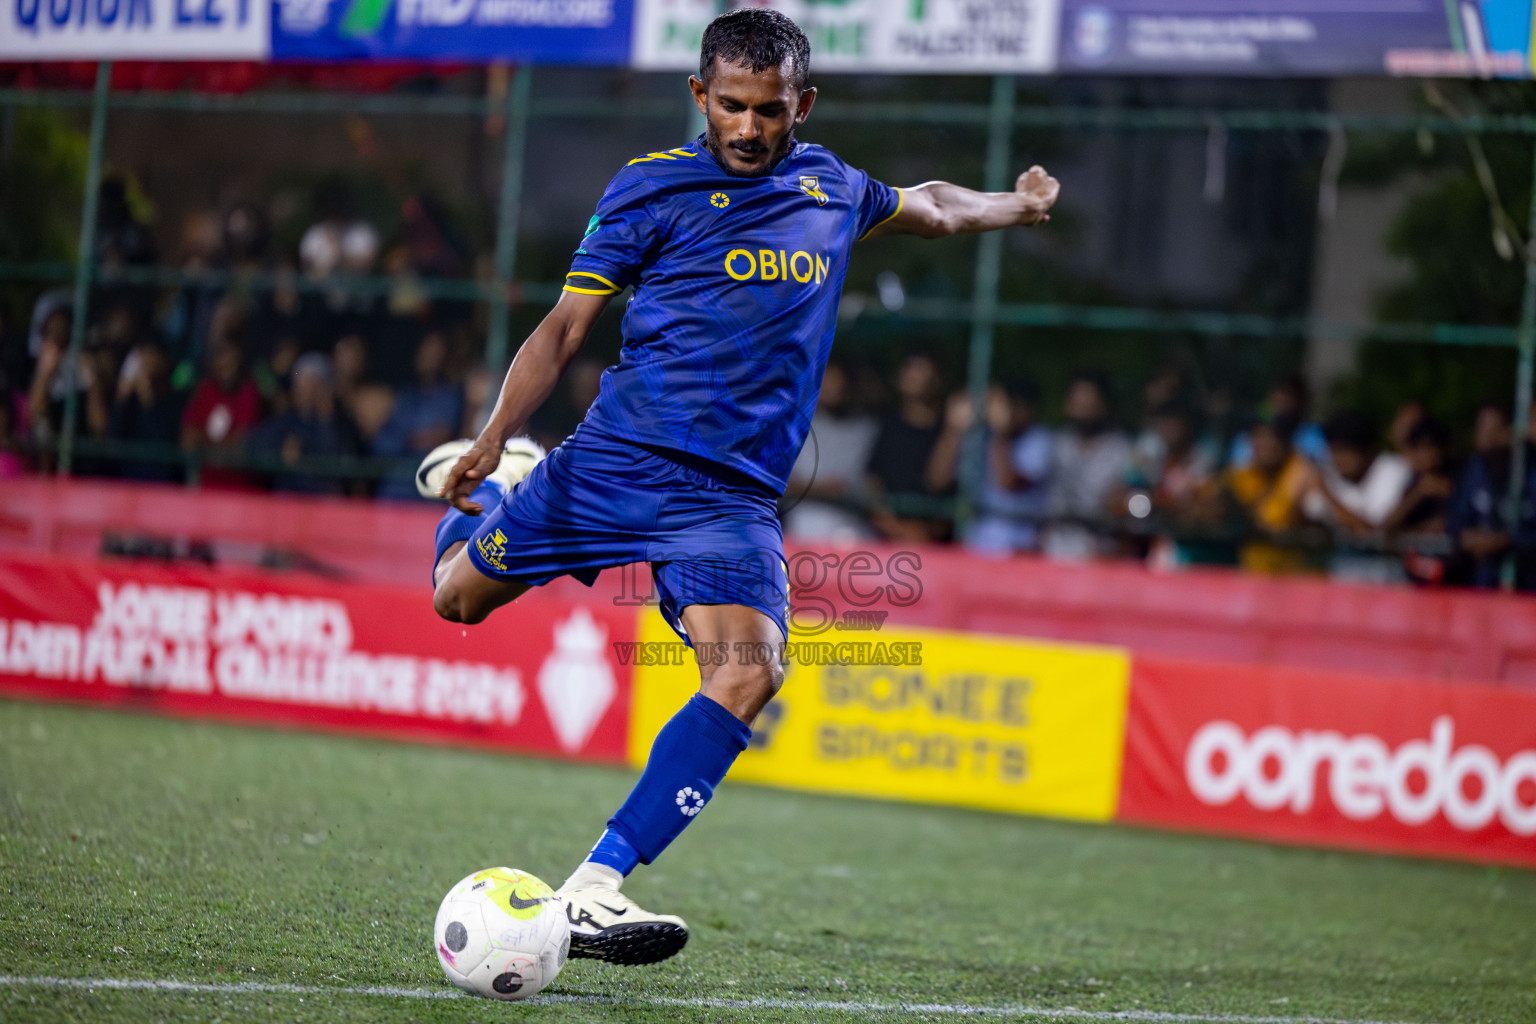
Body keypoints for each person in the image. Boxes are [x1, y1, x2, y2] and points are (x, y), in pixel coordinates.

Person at [419, 9, 1058, 968]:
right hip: (612, 462)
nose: (749, 129)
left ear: (802, 102)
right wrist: (493, 435)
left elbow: (930, 203)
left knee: (753, 671)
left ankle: (594, 886)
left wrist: (1016, 203)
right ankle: (513, 483)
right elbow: (559, 331)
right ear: (699, 97)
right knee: (455, 602)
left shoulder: (832, 185)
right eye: (731, 107)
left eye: (768, 110)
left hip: (728, 503)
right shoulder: (648, 189)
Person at [926, 378, 1052, 555]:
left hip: (1021, 548)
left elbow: (1008, 484)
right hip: (976, 544)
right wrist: (953, 429)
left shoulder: (1040, 439)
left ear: (1023, 408)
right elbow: (938, 480)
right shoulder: (982, 437)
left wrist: (1001, 432)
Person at [783, 358, 878, 543]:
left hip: (854, 531)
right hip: (804, 530)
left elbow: (874, 486)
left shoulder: (869, 428)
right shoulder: (793, 426)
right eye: (827, 380)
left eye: (839, 380)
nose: (834, 387)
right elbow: (778, 484)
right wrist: (823, 490)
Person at [1041, 372, 1131, 560]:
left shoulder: (1123, 451)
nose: (1082, 407)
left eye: (1089, 401)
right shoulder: (1056, 443)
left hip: (1099, 553)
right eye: (1077, 400)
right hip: (1053, 549)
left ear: (1106, 404)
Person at [1445, 403, 1536, 590]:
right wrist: (1466, 538)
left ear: (1511, 430)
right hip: (1482, 586)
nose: (1487, 439)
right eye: (1482, 430)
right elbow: (1456, 519)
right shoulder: (1475, 469)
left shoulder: (1530, 469)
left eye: (1495, 431)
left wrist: (1507, 540)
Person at [864, 350, 947, 542]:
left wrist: (926, 534)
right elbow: (871, 482)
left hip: (937, 542)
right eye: (910, 368)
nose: (914, 376)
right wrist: (895, 528)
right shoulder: (883, 425)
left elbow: (948, 486)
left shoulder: (949, 429)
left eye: (922, 369)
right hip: (888, 537)